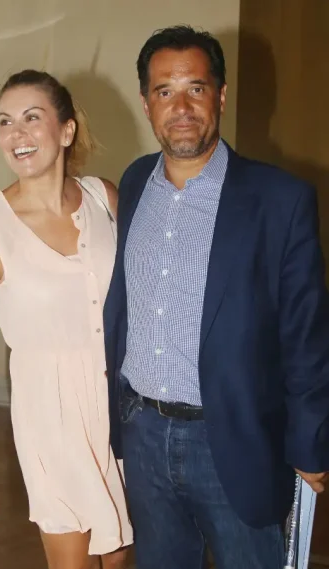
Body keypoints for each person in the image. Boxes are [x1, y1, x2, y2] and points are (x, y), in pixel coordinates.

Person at [103, 25, 329, 569]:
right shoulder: (133, 183)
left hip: (235, 439)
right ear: (146, 103)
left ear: (221, 96)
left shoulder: (279, 199)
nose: (180, 107)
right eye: (164, 91)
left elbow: (306, 336)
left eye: (196, 88)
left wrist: (310, 443)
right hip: (143, 433)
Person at [0, 69, 132, 569]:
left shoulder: (104, 198)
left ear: (67, 130)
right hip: (49, 414)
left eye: (32, 118)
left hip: (120, 407)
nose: (17, 133)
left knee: (119, 557)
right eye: (5, 122)